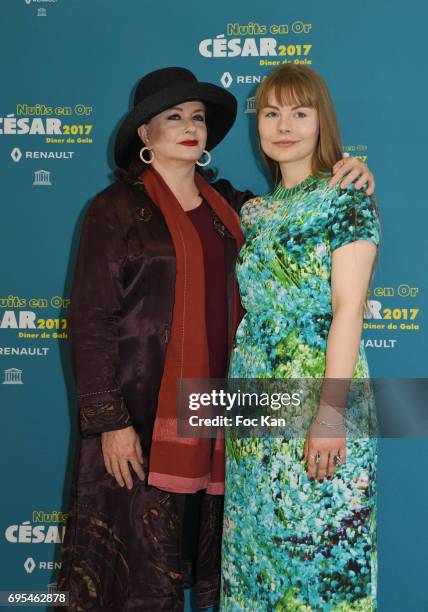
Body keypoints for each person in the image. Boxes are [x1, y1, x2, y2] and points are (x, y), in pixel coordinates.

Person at [57, 66, 375, 611]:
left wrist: (353, 166)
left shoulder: (233, 206)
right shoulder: (114, 211)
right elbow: (90, 319)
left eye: (198, 118)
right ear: (144, 134)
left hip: (227, 416)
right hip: (145, 416)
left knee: (297, 562)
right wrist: (110, 420)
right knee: (138, 573)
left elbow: (323, 251)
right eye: (172, 117)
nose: (189, 127)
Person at [221, 64, 379, 610]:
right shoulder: (255, 211)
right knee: (254, 561)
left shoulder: (345, 197)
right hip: (253, 407)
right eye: (271, 112)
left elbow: (348, 310)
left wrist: (331, 413)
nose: (283, 125)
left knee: (321, 564)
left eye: (299, 112)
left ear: (321, 122)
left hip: (322, 400)